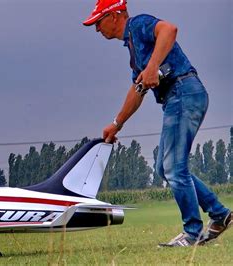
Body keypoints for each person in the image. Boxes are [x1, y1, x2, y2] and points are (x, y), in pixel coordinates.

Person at [82, 0, 231, 247]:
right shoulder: (133, 48)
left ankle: (192, 234)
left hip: (183, 91)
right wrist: (116, 124)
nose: (97, 28)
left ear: (116, 15)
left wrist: (152, 67)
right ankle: (220, 214)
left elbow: (169, 30)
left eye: (99, 21)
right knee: (166, 168)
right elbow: (137, 89)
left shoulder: (138, 25)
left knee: (174, 168)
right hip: (179, 97)